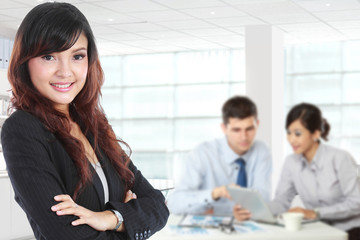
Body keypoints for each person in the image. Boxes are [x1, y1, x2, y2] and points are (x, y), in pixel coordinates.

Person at [1, 2, 169, 240]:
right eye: (49, 57)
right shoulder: (22, 129)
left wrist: (110, 218)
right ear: (24, 62)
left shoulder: (94, 125)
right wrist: (129, 219)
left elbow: (158, 206)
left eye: (77, 56)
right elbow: (66, 235)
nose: (65, 72)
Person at [265, 103, 360, 240]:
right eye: (289, 132)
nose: (291, 139)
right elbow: (282, 201)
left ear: (316, 133)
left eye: (298, 133)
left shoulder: (339, 158)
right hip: (320, 230)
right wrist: (256, 212)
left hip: (351, 231)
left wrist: (315, 213)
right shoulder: (291, 162)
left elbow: (356, 203)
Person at [167, 96, 272, 218]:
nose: (244, 137)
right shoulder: (203, 154)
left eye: (249, 129)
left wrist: (219, 210)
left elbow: (262, 197)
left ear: (257, 124)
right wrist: (214, 194)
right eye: (236, 130)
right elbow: (174, 203)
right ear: (224, 128)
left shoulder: (261, 150)